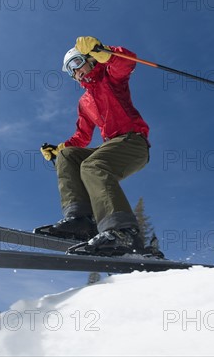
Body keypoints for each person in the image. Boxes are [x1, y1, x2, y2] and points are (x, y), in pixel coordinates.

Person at [37, 36, 151, 257]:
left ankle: (122, 231)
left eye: (77, 63)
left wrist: (106, 52)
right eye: (71, 70)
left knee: (92, 166)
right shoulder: (85, 102)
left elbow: (127, 63)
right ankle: (80, 221)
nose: (76, 71)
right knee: (67, 156)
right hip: (111, 146)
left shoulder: (110, 78)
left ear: (89, 59)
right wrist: (58, 150)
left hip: (133, 142)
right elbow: (81, 136)